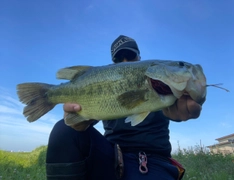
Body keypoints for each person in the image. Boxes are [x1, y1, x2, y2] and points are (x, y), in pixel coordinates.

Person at [46, 35, 202, 180]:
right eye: (119, 58)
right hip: (110, 156)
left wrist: (192, 100)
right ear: (114, 63)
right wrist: (75, 119)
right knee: (63, 130)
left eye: (131, 56)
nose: (126, 61)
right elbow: (75, 124)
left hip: (153, 161)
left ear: (140, 58)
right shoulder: (106, 81)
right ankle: (48, 95)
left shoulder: (166, 89)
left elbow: (191, 102)